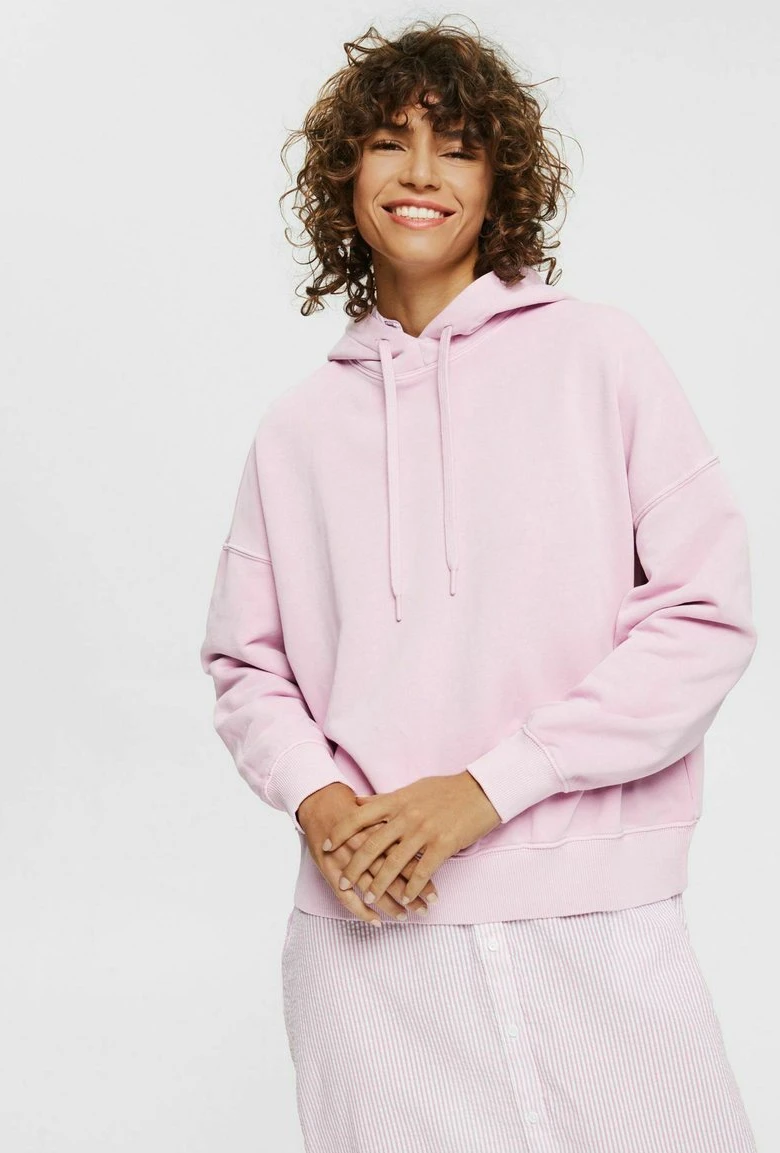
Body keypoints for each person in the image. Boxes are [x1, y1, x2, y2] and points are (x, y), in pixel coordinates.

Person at [199, 18, 760, 1153]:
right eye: (387, 143)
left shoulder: (599, 357)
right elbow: (245, 664)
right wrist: (319, 800)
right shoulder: (297, 429)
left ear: (499, 183)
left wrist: (488, 787)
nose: (419, 174)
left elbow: (705, 615)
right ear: (342, 173)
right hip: (368, 934)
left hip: (594, 914)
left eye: (456, 148)